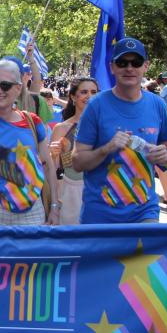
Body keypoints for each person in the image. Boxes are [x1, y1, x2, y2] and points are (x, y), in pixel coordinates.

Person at [71, 37, 167, 333]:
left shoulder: (157, 105)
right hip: (100, 215)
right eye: (123, 62)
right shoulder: (97, 106)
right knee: (103, 290)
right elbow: (78, 161)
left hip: (144, 212)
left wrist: (163, 154)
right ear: (112, 67)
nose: (130, 68)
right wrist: (107, 147)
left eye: (136, 62)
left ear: (145, 67)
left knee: (144, 287)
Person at [0, 60, 57, 225]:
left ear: (18, 88)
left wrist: (54, 206)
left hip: (32, 212)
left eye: (5, 85)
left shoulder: (33, 122)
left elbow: (48, 165)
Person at [48, 77, 99, 225]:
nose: (89, 96)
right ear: (72, 97)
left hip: (99, 194)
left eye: (94, 92)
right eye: (84, 92)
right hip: (70, 194)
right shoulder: (62, 128)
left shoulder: (105, 126)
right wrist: (53, 154)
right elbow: (54, 168)